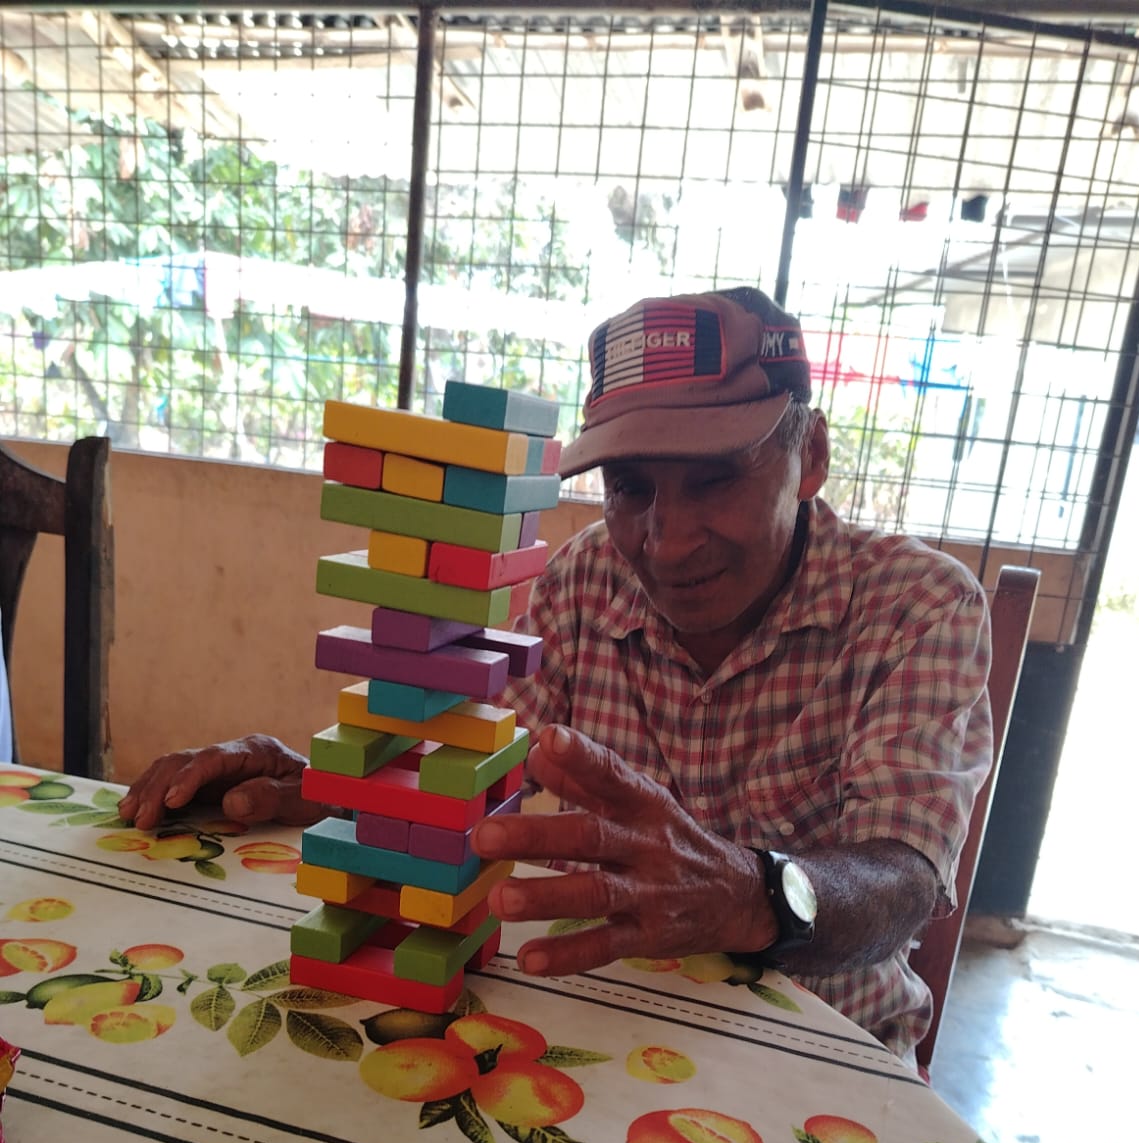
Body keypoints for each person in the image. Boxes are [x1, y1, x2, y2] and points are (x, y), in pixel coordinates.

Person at [120, 287, 992, 1063]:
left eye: (716, 478)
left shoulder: (916, 605)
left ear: (812, 458)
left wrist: (754, 894)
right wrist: (315, 778)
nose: (666, 540)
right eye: (631, 486)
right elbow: (463, 766)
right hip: (603, 1027)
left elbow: (904, 880)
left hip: (822, 1051)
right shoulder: (586, 578)